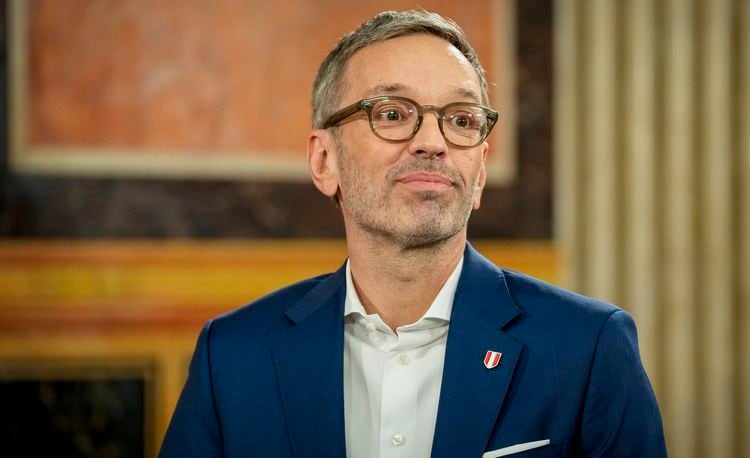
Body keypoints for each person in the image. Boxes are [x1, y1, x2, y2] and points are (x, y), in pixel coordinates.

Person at [159, 10, 666, 458]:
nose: (432, 142)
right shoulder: (232, 356)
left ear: (481, 172)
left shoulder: (587, 347)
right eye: (392, 114)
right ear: (323, 160)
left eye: (461, 119)